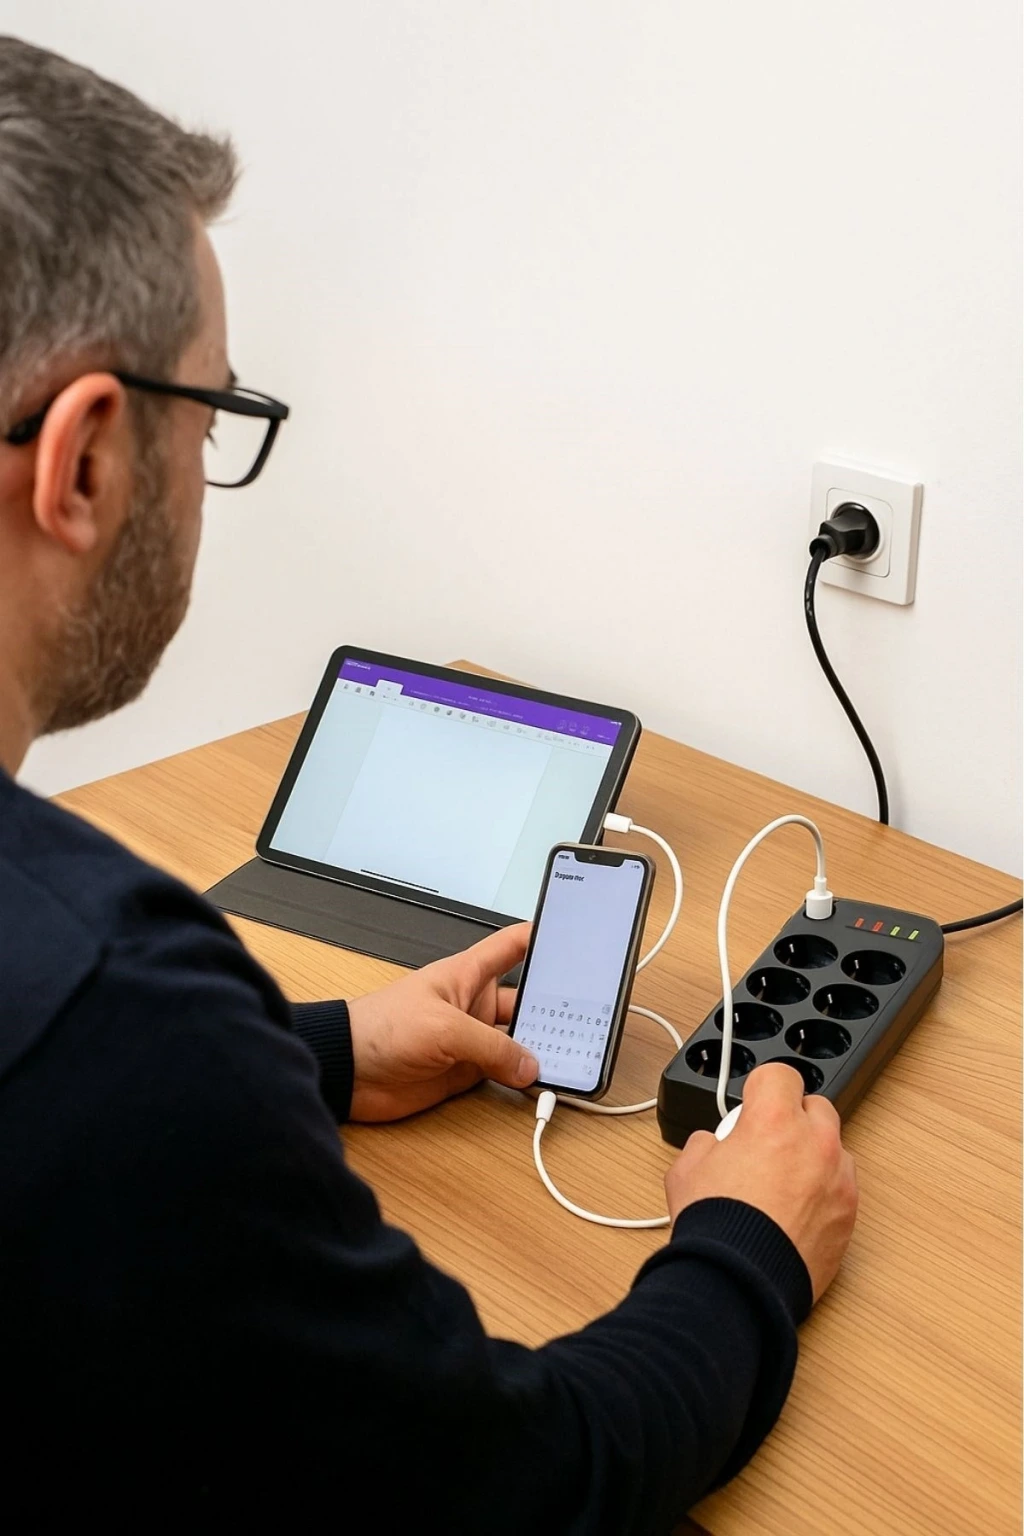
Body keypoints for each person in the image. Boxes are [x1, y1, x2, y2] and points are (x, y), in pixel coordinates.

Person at [0, 36, 858, 1530]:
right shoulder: (126, 1022)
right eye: (214, 417)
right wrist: (747, 1246)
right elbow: (523, 1484)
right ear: (82, 462)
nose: (209, 468)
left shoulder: (110, 1042)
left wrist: (323, 1052)